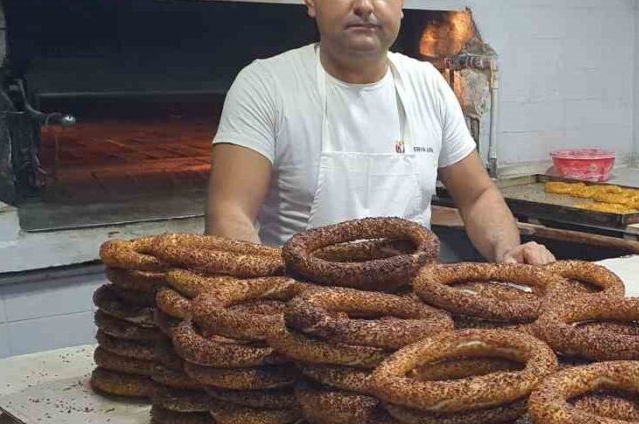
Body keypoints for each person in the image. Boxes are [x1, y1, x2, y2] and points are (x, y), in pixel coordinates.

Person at [206, 0, 554, 265]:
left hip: (413, 307)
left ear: (401, 5)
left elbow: (477, 196)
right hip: (299, 304)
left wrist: (507, 251)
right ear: (311, 3)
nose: (364, 6)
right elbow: (230, 212)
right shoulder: (266, 85)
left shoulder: (428, 86)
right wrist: (263, 300)